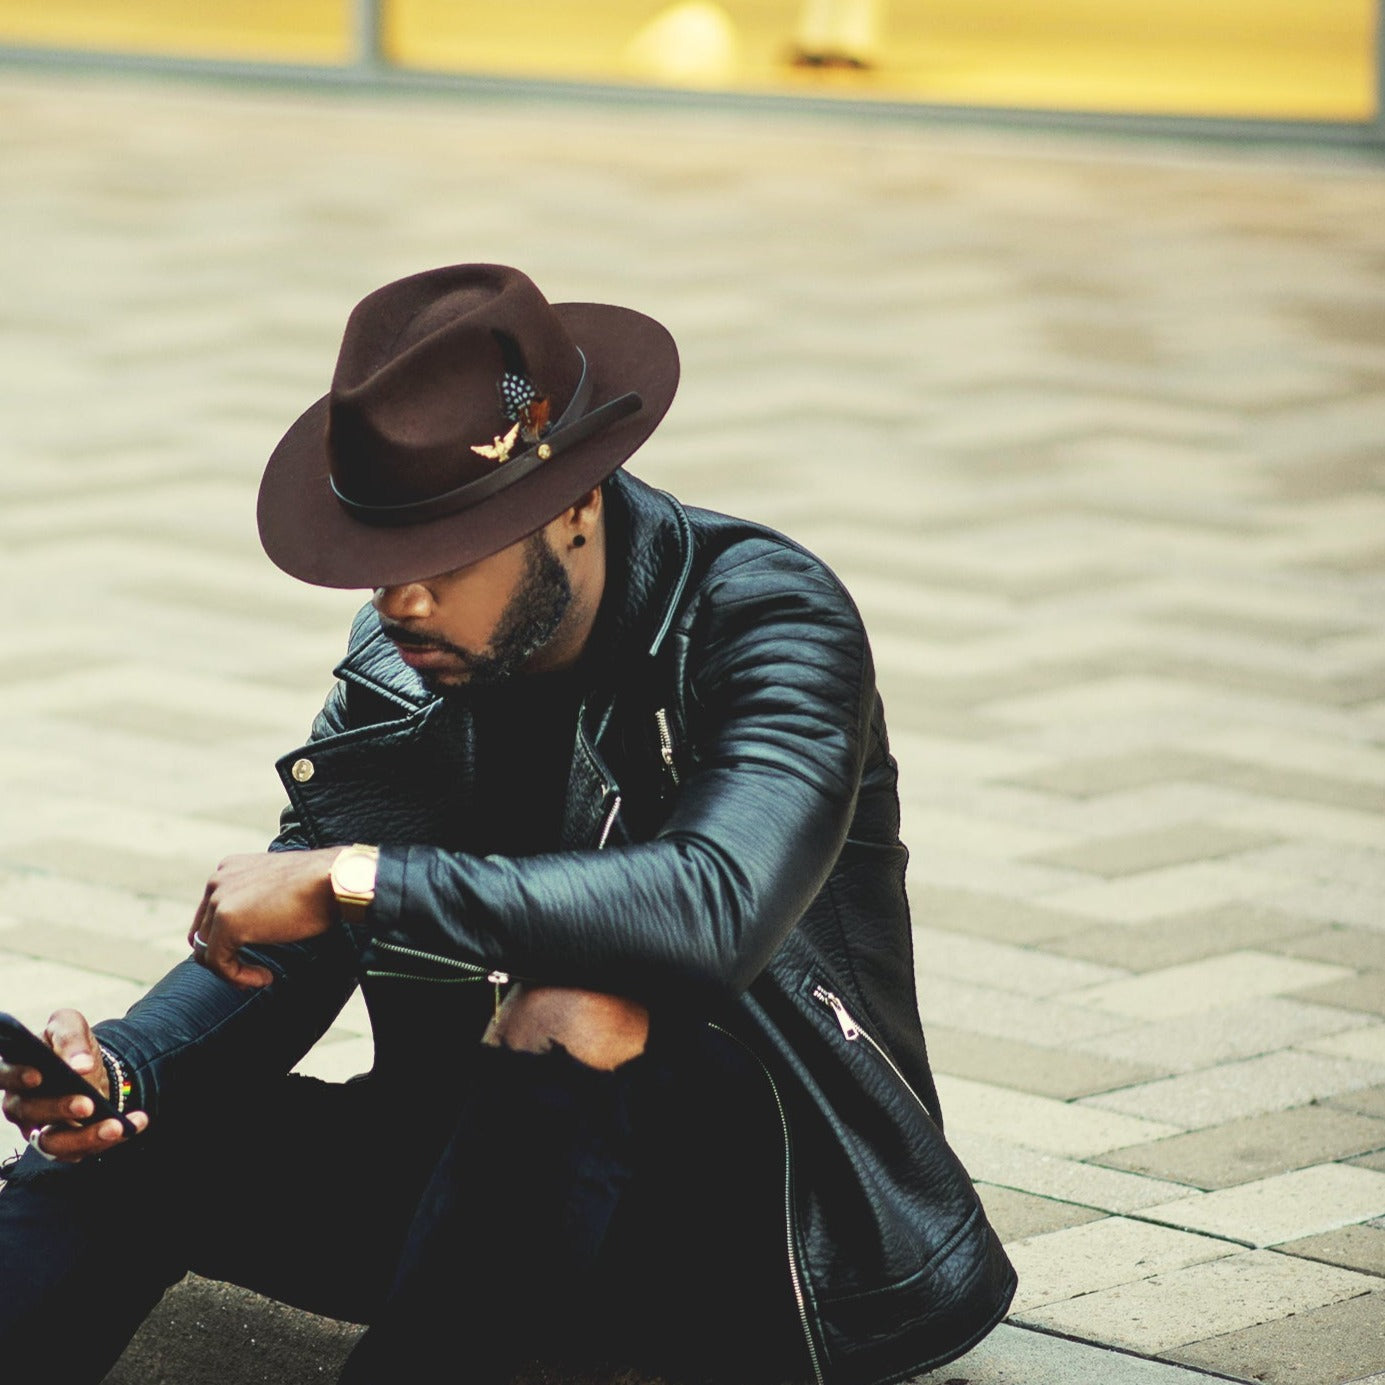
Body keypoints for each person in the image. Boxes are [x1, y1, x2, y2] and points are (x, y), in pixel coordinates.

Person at [0, 264, 1015, 1384]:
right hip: (475, 1199)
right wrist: (125, 1075)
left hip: (770, 1240)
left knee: (580, 992)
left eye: (442, 554)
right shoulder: (406, 654)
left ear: (571, 503)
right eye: (378, 558)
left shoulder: (764, 616)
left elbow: (710, 908)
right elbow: (292, 940)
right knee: (117, 1149)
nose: (399, 601)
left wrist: (356, 877)